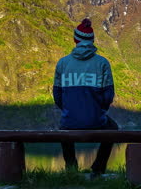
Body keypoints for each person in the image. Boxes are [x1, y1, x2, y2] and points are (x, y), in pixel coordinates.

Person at [53, 18, 118, 178]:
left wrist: (70, 109)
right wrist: (98, 110)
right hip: (96, 119)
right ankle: (98, 168)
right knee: (113, 128)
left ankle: (71, 168)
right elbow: (108, 95)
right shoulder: (102, 63)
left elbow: (57, 95)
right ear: (92, 40)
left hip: (70, 121)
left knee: (65, 126)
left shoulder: (63, 63)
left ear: (76, 39)